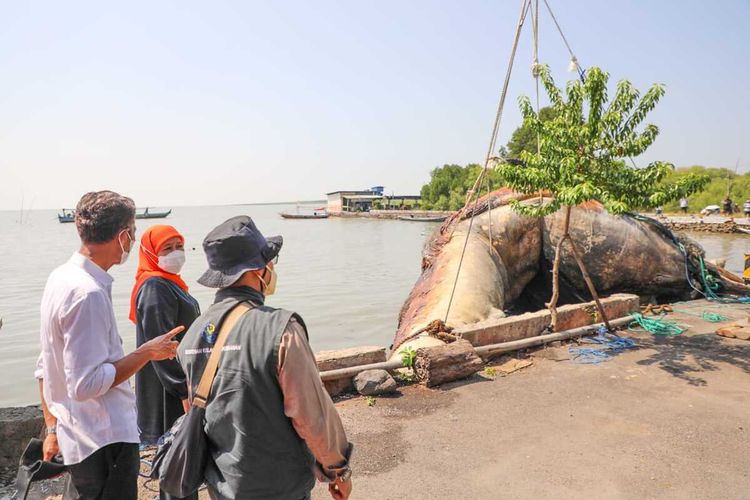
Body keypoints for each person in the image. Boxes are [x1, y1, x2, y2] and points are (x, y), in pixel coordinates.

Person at [178, 216, 353, 500]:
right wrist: (338, 469)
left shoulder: (193, 334)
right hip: (280, 488)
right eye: (270, 262)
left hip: (222, 486)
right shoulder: (281, 329)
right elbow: (312, 415)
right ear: (258, 270)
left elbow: (192, 410)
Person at [35, 191, 184, 500]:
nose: (132, 240)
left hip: (79, 435)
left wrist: (51, 427)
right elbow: (86, 384)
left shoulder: (60, 277)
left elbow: (44, 366)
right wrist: (147, 352)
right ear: (122, 236)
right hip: (102, 440)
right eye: (132, 232)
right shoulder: (87, 293)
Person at [130, 225, 200, 500]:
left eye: (179, 247)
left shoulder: (169, 283)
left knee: (179, 464)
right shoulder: (155, 287)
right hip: (167, 389)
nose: (176, 254)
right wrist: (184, 391)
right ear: (150, 253)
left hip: (175, 383)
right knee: (177, 465)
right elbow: (162, 347)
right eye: (166, 249)